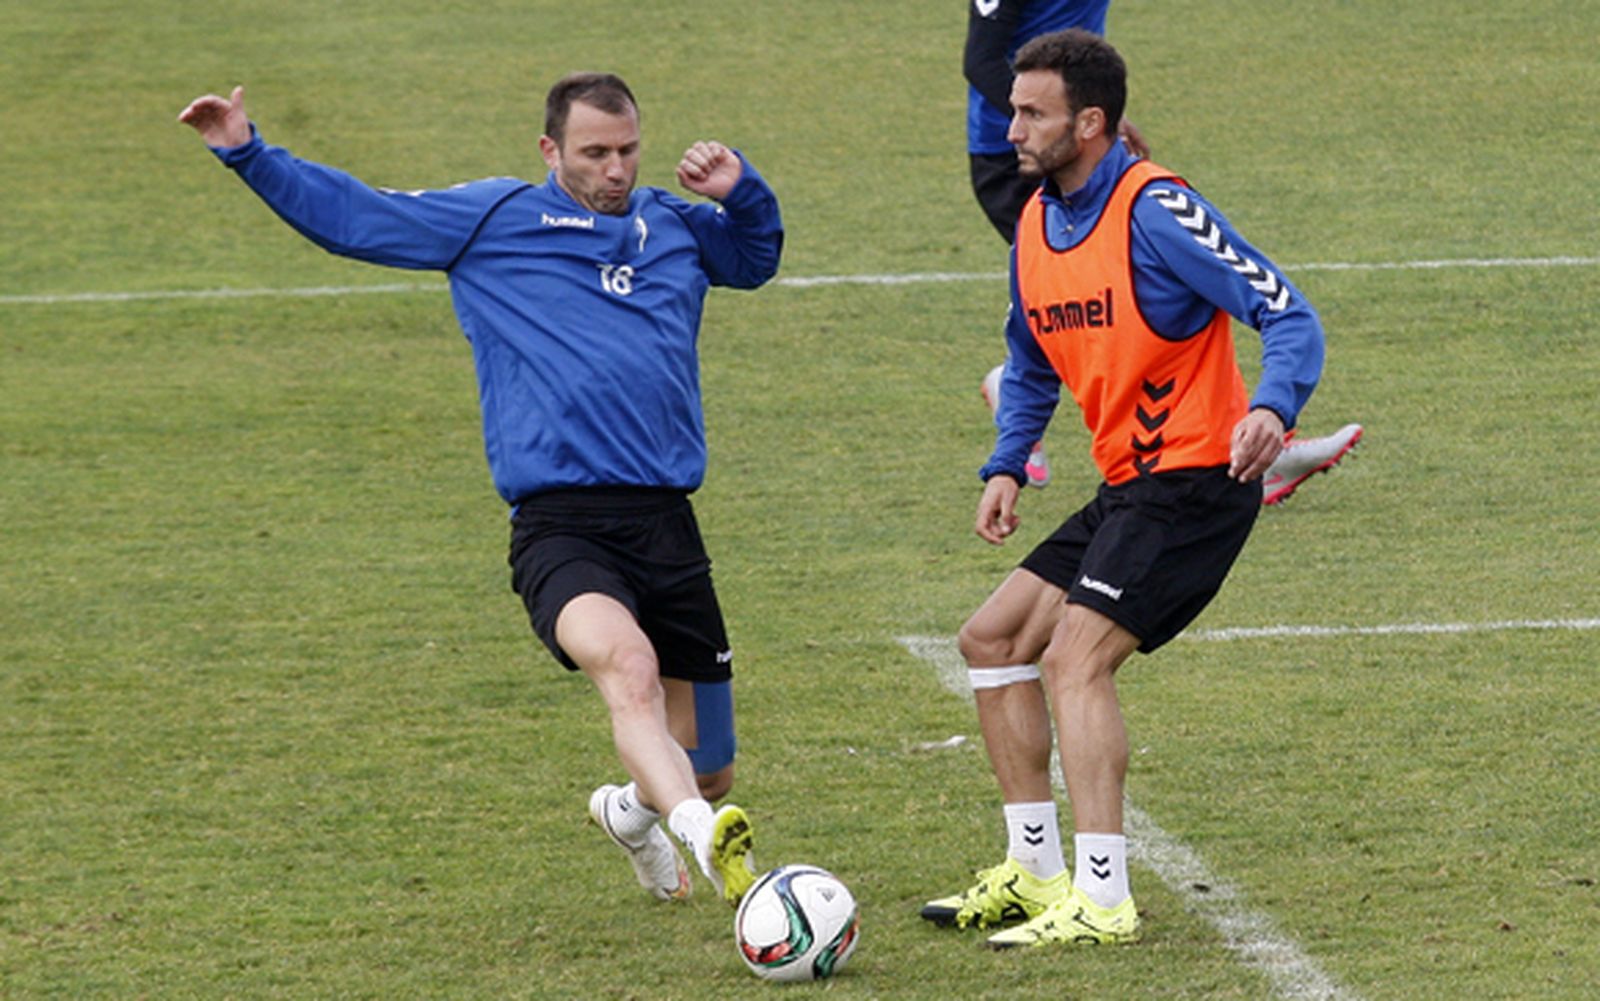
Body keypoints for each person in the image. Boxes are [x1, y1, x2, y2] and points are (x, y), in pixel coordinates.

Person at [178, 72, 783, 907]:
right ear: (550, 151)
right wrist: (249, 154)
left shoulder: (673, 224)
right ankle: (702, 838)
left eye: (628, 150)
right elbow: (357, 217)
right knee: (628, 667)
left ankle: (638, 813)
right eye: (594, 153)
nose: (615, 169)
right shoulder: (495, 219)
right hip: (560, 525)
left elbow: (754, 262)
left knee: (708, 764)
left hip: (667, 522)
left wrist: (741, 192)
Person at [921, 29, 1325, 947]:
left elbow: (1286, 309)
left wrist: (1271, 406)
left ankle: (1103, 897)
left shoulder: (1157, 209)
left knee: (1073, 658)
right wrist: (1005, 462)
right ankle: (1033, 871)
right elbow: (1028, 359)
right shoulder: (1035, 220)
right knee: (992, 639)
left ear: (1089, 123)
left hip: (1194, 480)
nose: (1010, 125)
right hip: (1129, 485)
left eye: (1031, 112)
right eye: (1012, 107)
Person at [964, 0, 1360, 498]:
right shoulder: (1031, 152)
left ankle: (1245, 441)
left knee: (1155, 297)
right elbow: (980, 60)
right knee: (1085, 304)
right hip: (1022, 160)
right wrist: (1051, 120)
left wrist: (1097, 118)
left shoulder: (1150, 198)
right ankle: (1239, 450)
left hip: (1083, 132)